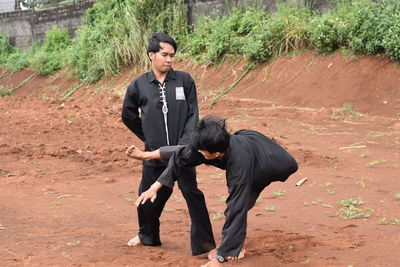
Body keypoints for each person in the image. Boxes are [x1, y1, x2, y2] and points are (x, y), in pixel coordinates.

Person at [128, 115, 298, 266]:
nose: (199, 153)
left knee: (238, 205)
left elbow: (235, 208)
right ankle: (234, 243)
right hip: (248, 141)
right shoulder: (210, 145)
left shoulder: (239, 165)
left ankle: (232, 248)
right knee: (238, 201)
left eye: (203, 152)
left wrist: (221, 257)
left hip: (272, 165)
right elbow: (182, 154)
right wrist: (155, 184)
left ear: (216, 154)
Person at [121, 32, 215, 256]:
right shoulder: (139, 85)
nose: (170, 59)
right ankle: (147, 235)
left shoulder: (184, 80)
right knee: (147, 196)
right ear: (151, 55)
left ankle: (205, 245)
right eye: (164, 54)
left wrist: (185, 146)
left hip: (183, 152)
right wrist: (148, 137)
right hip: (153, 153)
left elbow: (193, 115)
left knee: (192, 194)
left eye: (172, 55)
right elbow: (128, 114)